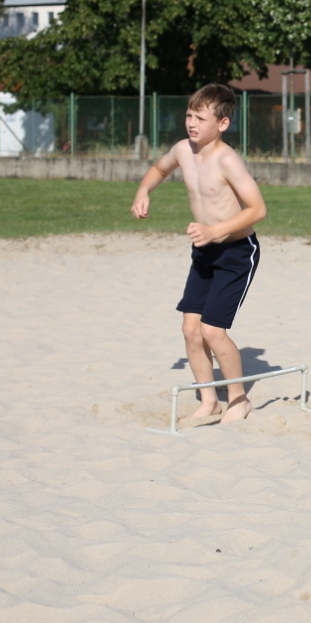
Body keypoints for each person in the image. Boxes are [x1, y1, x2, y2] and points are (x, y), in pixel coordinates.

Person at [131, 84, 267, 425]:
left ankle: (237, 399)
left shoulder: (227, 160)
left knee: (212, 331)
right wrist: (143, 191)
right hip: (204, 250)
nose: (192, 122)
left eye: (200, 118)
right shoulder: (181, 150)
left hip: (237, 252)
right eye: (189, 115)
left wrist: (215, 231)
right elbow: (159, 169)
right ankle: (209, 401)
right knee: (190, 330)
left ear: (221, 124)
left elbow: (258, 209)